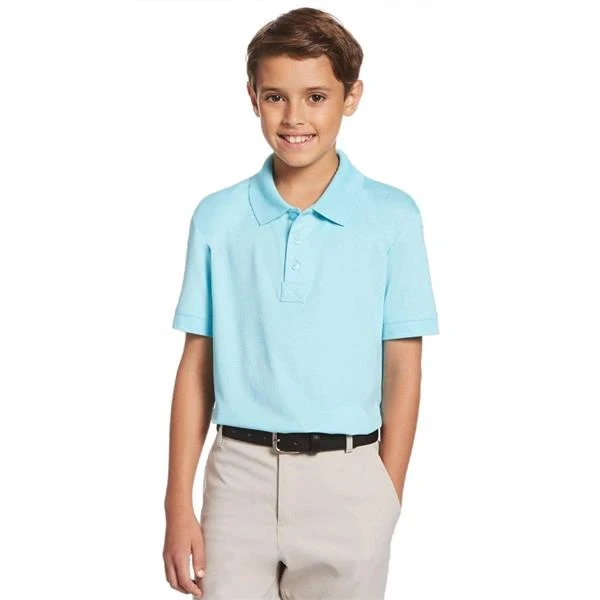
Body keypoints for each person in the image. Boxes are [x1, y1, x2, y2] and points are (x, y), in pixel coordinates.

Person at [163, 7, 439, 599]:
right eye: (275, 97)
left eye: (316, 97)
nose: (294, 118)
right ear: (252, 97)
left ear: (351, 96)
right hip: (237, 480)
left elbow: (403, 366)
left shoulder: (393, 217)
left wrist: (386, 496)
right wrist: (177, 505)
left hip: (349, 482)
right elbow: (196, 366)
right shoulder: (218, 217)